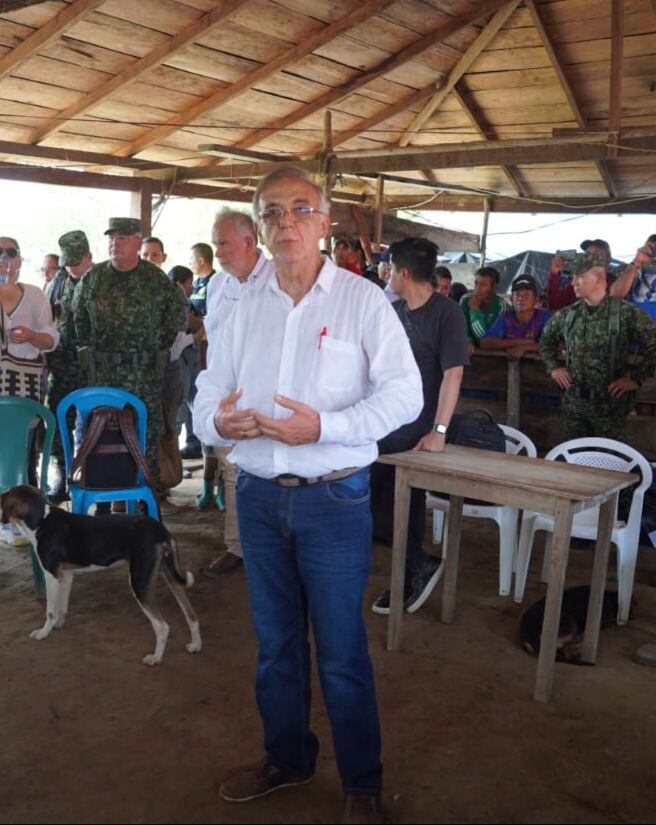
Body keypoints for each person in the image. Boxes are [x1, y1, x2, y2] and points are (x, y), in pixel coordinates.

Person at [193, 166, 422, 824]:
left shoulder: (361, 301)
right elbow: (209, 390)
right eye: (271, 212)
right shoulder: (243, 308)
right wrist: (217, 422)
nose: (285, 221)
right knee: (276, 642)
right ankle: (288, 757)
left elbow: (405, 395)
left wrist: (324, 426)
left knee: (343, 647)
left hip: (334, 499)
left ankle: (361, 782)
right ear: (260, 228)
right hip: (260, 496)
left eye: (300, 209)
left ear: (324, 222)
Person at [369, 238, 469, 615]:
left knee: (401, 501)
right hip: (387, 420)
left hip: (419, 427)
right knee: (375, 503)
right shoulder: (394, 309)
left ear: (404, 273)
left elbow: (453, 373)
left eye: (391, 268)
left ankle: (414, 569)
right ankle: (412, 565)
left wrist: (439, 431)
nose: (388, 275)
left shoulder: (446, 314)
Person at [72, 218, 186, 488]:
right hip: (104, 374)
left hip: (144, 376)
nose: (115, 243)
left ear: (138, 242)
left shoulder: (155, 279)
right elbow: (78, 319)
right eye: (111, 238)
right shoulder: (93, 277)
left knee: (146, 438)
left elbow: (174, 321)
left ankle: (148, 504)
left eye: (122, 238)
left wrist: (150, 348)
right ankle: (103, 504)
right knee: (100, 438)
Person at [201, 208, 273, 578]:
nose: (218, 253)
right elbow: (214, 342)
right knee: (231, 471)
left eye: (224, 244)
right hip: (227, 396)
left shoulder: (279, 279)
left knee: (269, 471)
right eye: (215, 245)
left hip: (267, 397)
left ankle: (269, 549)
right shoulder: (218, 285)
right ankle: (238, 546)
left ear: (250, 242)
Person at [540, 253, 656, 441]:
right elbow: (546, 341)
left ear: (599, 278)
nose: (573, 283)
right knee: (576, 460)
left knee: (612, 464)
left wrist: (635, 379)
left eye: (580, 276)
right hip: (574, 407)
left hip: (610, 409)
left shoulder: (626, 314)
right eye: (572, 277)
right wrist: (554, 367)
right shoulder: (568, 315)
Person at [0, 236, 59, 545]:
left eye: (11, 253)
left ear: (20, 260)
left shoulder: (35, 295)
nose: (4, 258)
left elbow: (52, 338)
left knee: (21, 454)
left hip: (24, 389)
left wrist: (34, 335)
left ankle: (20, 517)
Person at [45, 230, 93, 503]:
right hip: (62, 367)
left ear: (89, 256)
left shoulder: (101, 281)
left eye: (77, 262)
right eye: (68, 263)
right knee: (58, 422)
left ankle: (88, 476)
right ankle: (62, 475)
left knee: (90, 427)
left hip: (90, 370)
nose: (72, 268)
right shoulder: (58, 282)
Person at [179, 242, 215, 459]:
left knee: (200, 395)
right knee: (190, 396)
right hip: (189, 347)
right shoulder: (197, 284)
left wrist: (199, 330)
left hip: (205, 348)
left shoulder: (216, 283)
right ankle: (193, 440)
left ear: (201, 260)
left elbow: (213, 317)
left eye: (192, 259)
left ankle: (207, 447)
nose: (190, 263)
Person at [480, 274, 552, 359]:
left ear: (536, 300)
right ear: (511, 299)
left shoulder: (544, 316)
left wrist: (525, 348)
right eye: (517, 294)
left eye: (527, 294)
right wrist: (519, 342)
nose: (521, 298)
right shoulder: (505, 318)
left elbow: (556, 345)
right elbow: (485, 342)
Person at [547, 238, 615, 310]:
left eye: (595, 255)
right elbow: (555, 305)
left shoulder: (615, 284)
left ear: (608, 260)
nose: (590, 258)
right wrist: (554, 273)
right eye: (587, 254)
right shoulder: (577, 283)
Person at [459, 266, 506, 353]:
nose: (477, 289)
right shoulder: (465, 300)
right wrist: (468, 340)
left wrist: (474, 311)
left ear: (495, 287)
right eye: (476, 284)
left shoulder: (502, 306)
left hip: (494, 358)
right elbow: (462, 329)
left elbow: (486, 340)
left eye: (483, 285)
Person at [610, 233, 656, 320]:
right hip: (632, 325)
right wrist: (637, 262)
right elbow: (614, 295)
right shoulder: (631, 268)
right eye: (650, 247)